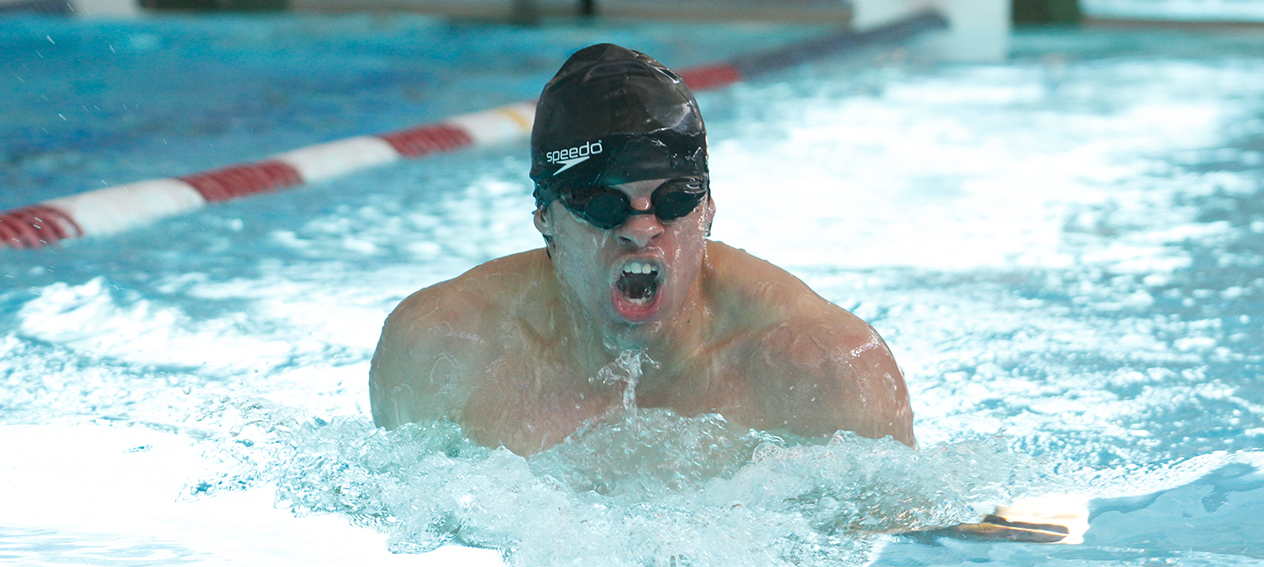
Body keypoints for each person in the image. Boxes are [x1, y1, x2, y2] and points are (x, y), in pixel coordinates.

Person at [370, 43, 914, 457]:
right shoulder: (442, 347)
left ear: (707, 209)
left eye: (674, 201)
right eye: (603, 205)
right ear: (546, 217)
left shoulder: (826, 368)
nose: (641, 228)